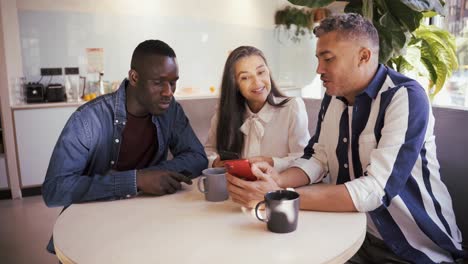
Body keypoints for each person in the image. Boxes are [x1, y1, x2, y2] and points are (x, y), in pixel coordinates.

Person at [226, 14, 465, 263]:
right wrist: (277, 177)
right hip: (354, 233)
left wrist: (277, 195)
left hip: (416, 246)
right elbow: (318, 158)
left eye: (328, 59)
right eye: (318, 59)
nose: (319, 69)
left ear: (364, 56)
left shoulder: (405, 97)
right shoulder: (332, 98)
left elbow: (376, 190)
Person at [42, 40, 207, 253]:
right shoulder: (88, 119)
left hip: (143, 223)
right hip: (90, 229)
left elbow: (197, 157)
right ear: (134, 78)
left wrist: (146, 177)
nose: (169, 92)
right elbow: (55, 189)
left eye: (173, 82)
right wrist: (135, 180)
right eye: (158, 82)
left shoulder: (171, 110)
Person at [204, 46, 310, 172]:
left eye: (261, 72)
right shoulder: (224, 113)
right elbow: (208, 150)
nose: (257, 82)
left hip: (279, 188)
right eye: (245, 77)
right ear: (235, 84)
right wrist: (216, 162)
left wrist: (271, 162)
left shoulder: (292, 107)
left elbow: (304, 159)